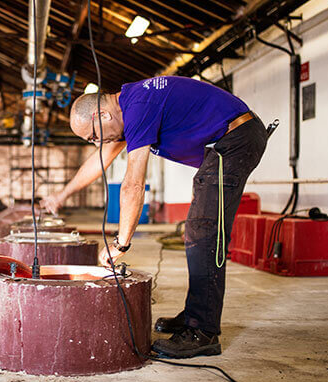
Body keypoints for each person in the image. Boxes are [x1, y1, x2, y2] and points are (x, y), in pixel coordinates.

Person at [41, 76, 267, 359]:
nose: (98, 142)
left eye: (94, 136)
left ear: (102, 115)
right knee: (198, 230)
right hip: (226, 144)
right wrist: (62, 195)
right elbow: (97, 163)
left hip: (235, 140)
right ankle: (195, 315)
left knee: (203, 231)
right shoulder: (127, 109)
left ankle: (203, 332)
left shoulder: (138, 105)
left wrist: (121, 243)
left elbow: (133, 183)